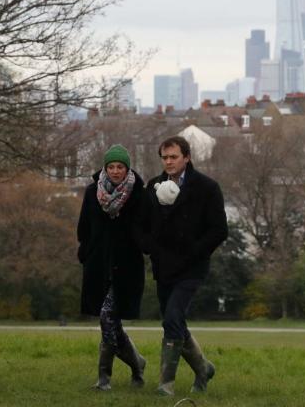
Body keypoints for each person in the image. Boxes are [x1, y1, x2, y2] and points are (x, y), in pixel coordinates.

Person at [141, 136, 228, 396]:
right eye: (165, 157)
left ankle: (165, 384)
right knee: (173, 320)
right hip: (163, 266)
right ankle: (203, 368)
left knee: (172, 318)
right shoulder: (154, 186)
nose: (168, 162)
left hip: (192, 267)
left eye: (173, 157)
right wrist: (150, 247)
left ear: (187, 157)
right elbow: (144, 224)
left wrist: (195, 251)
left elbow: (219, 230)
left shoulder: (207, 187)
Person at [77, 144, 148, 391]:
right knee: (110, 322)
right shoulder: (91, 193)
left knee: (107, 318)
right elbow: (83, 229)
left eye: (120, 167)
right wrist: (86, 253)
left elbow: (145, 230)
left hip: (126, 268)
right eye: (111, 167)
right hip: (98, 266)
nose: (116, 171)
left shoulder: (139, 195)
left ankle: (104, 378)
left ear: (127, 168)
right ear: (105, 169)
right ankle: (137, 363)